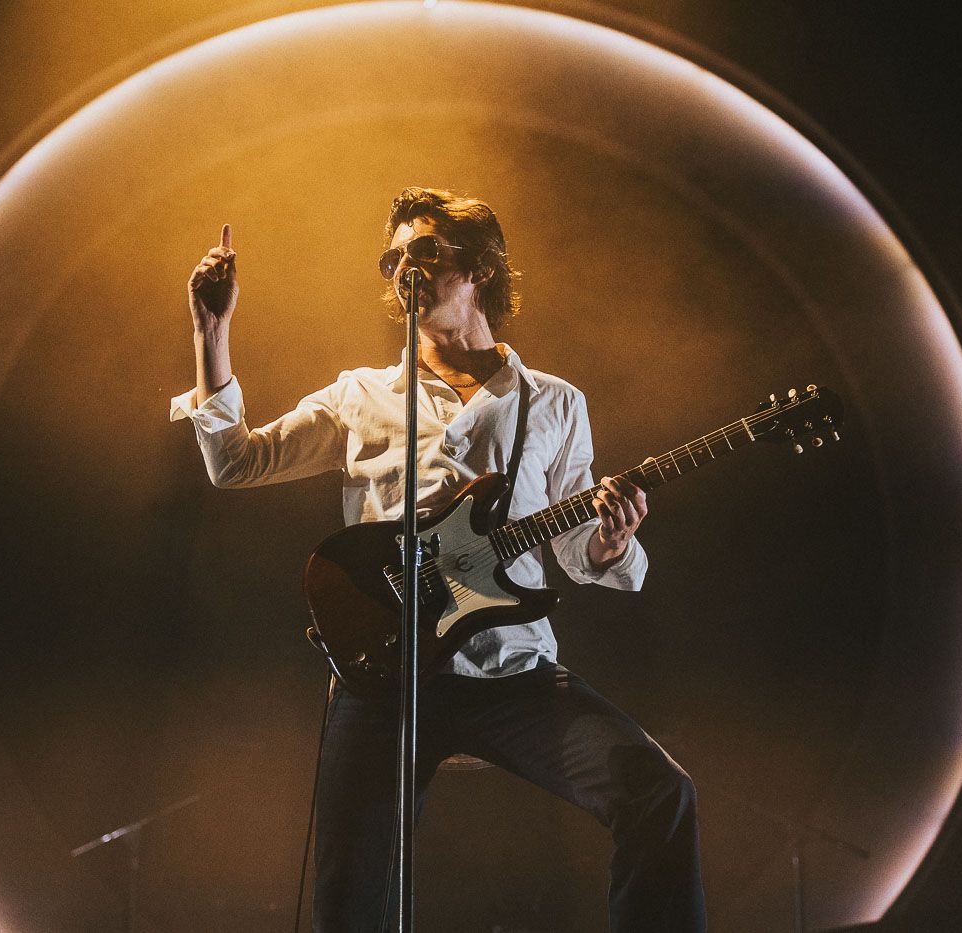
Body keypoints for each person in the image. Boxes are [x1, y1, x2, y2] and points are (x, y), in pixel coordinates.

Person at [170, 188, 705, 931]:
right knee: (350, 900)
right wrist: (212, 331)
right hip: (386, 676)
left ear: (480, 267)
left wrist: (608, 542)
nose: (404, 270)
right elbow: (235, 462)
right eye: (392, 259)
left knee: (660, 792)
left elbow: (573, 546)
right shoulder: (361, 395)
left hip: (509, 670)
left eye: (423, 252)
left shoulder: (554, 403)